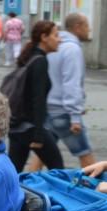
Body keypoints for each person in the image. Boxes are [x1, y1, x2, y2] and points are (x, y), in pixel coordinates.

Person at [30, 13, 96, 171]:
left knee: (42, 155)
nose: (89, 29)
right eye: (87, 25)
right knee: (85, 155)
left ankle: (26, 188)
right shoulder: (72, 49)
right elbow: (71, 83)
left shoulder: (54, 46)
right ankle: (97, 192)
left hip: (48, 110)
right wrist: (75, 115)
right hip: (64, 112)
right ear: (77, 27)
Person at [8, 20, 65, 173]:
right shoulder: (40, 61)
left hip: (17, 128)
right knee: (58, 170)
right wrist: (38, 135)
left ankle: (8, 197)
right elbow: (38, 100)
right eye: (56, 35)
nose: (60, 39)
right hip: (31, 128)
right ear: (44, 37)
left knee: (14, 174)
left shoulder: (29, 58)